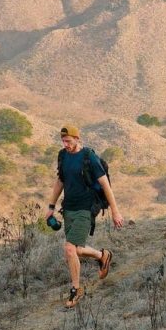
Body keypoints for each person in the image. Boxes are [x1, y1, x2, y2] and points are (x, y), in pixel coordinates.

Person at [46, 124, 124, 308]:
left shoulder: (89, 157)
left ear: (77, 139)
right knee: (77, 249)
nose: (65, 144)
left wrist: (115, 211)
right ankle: (102, 255)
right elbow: (60, 181)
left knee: (70, 249)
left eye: (69, 141)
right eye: (63, 141)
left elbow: (105, 185)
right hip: (69, 208)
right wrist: (51, 205)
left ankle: (76, 290)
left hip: (86, 207)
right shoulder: (63, 156)